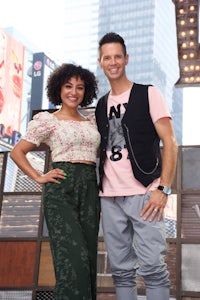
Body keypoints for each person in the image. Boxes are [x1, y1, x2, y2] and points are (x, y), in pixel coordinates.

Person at [95, 32, 178, 300]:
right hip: (109, 197)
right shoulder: (101, 105)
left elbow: (170, 142)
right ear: (101, 62)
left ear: (126, 59)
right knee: (120, 271)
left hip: (144, 193)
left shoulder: (148, 93)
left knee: (153, 268)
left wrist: (163, 189)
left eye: (118, 56)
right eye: (107, 57)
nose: (113, 62)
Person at [10, 63, 101, 300]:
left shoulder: (91, 121)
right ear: (58, 89)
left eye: (80, 87)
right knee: (73, 261)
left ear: (86, 91)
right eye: (68, 86)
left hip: (90, 189)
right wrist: (39, 177)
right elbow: (17, 152)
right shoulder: (48, 120)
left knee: (89, 260)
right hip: (62, 191)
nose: (74, 92)